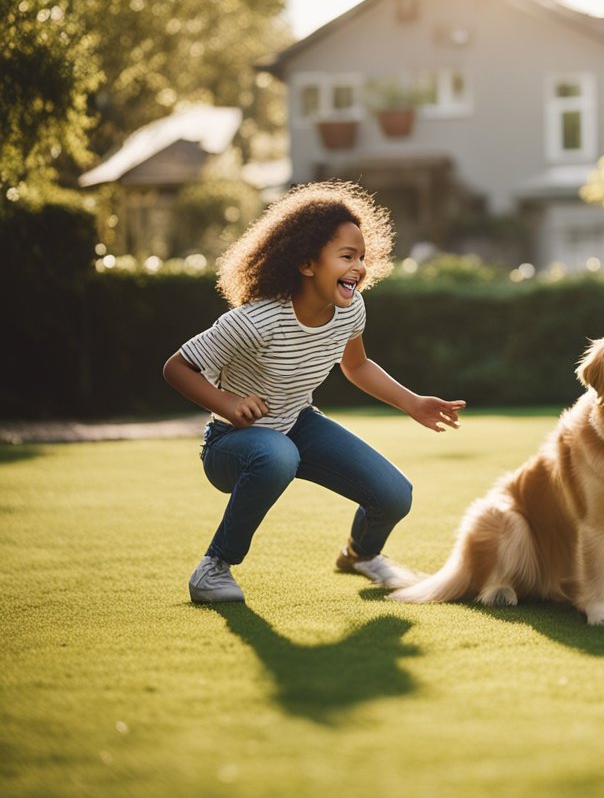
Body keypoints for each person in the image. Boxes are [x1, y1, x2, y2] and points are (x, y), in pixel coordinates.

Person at [164, 181, 466, 604]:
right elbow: (177, 367)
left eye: (362, 257)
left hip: (298, 424)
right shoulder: (257, 320)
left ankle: (361, 554)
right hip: (231, 443)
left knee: (395, 495)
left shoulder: (351, 309)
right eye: (346, 257)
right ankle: (213, 568)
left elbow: (356, 365)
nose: (359, 267)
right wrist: (229, 404)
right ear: (306, 263)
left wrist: (413, 402)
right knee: (276, 455)